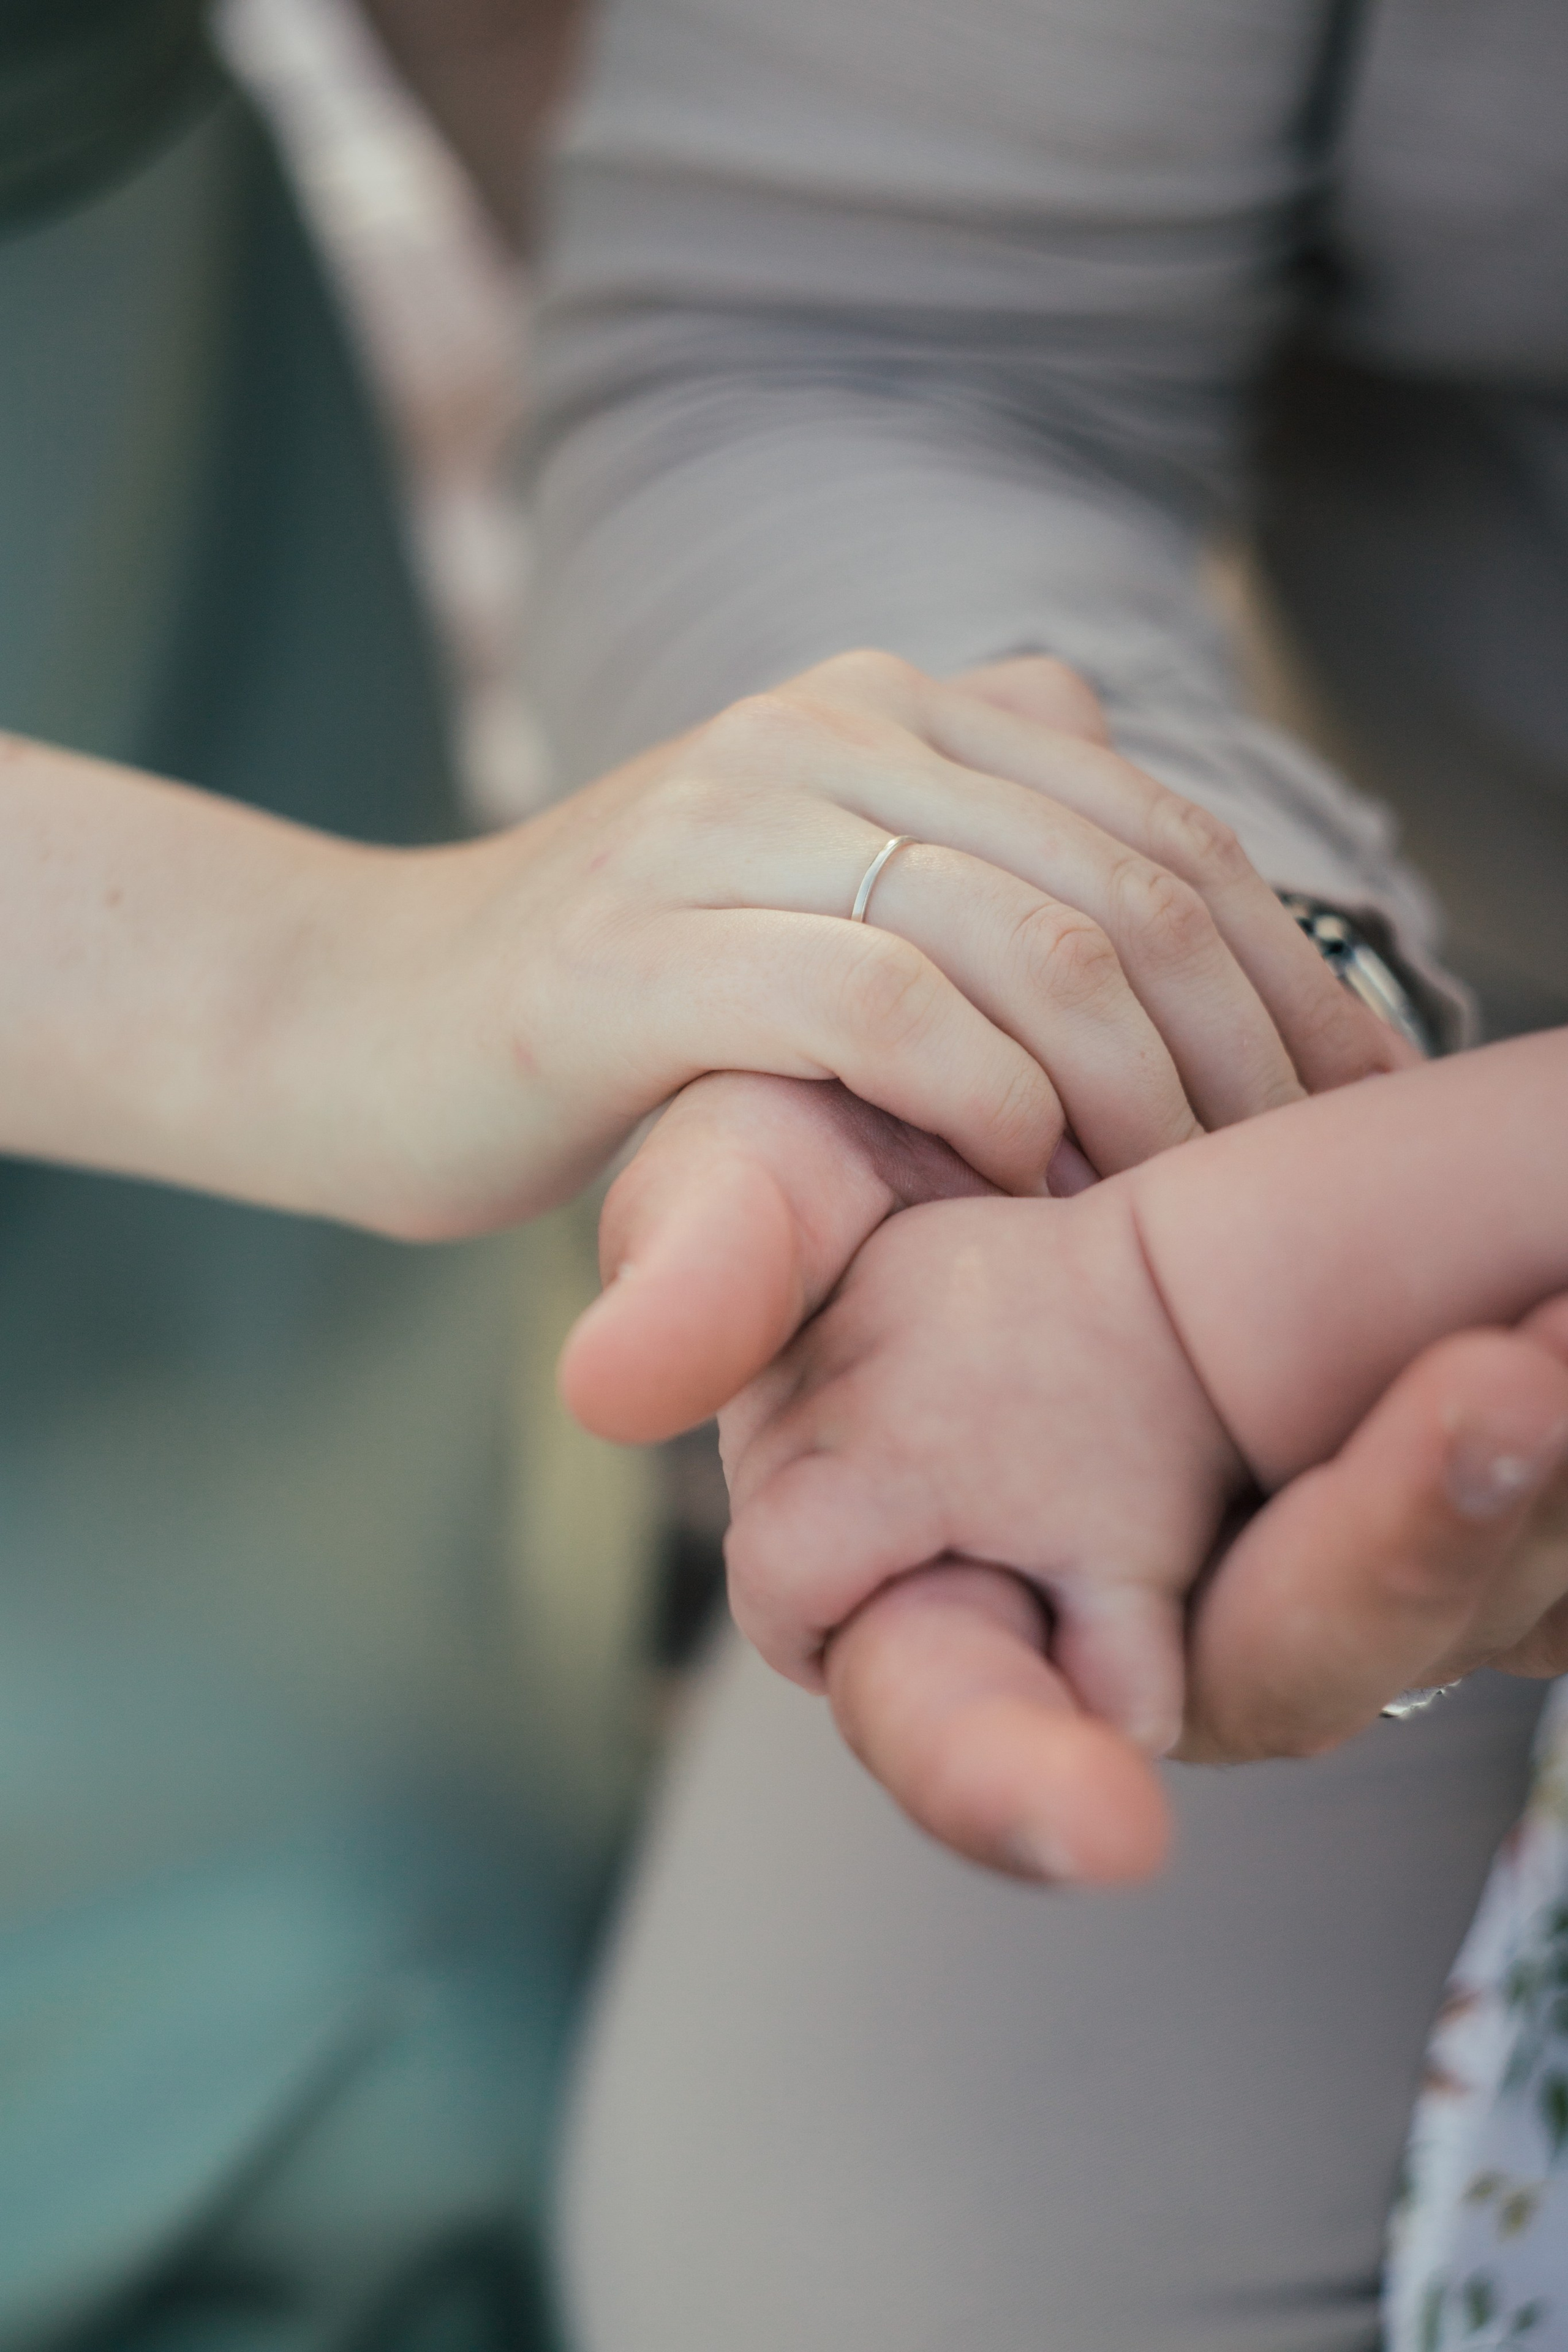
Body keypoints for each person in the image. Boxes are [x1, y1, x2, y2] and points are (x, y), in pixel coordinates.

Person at [4, 13, 1400, 2342]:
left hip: (107, 476)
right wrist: (302, 981)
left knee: (346, 2008)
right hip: (196, 939)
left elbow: (817, 304)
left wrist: (939, 989)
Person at [524, 0, 1568, 2343]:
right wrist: (1130, 1071)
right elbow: (845, 343)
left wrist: (1198, 1298)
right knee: (837, 2263)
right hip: (1474, 1020)